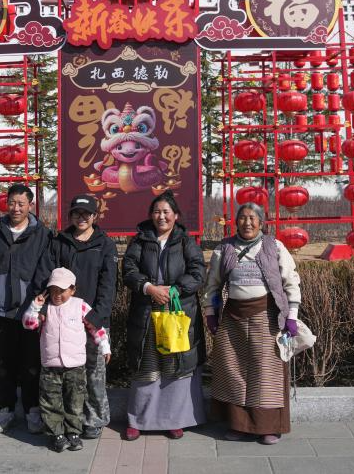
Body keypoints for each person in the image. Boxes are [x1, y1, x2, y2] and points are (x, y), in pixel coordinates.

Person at [204, 202, 302, 445]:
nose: (247, 222)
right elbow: (212, 285)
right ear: (235, 221)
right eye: (242, 218)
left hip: (266, 316)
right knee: (233, 370)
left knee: (265, 373)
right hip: (232, 318)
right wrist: (210, 312)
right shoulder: (223, 248)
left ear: (261, 222)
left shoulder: (275, 246)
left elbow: (291, 282)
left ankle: (268, 427)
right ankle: (239, 425)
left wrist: (292, 315)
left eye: (252, 218)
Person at [121, 190, 206, 440]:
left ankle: (174, 420)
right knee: (145, 368)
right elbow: (128, 269)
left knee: (175, 369)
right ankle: (138, 420)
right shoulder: (140, 240)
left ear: (175, 215)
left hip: (177, 310)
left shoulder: (185, 241)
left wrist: (175, 290)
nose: (161, 216)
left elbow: (198, 271)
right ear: (151, 215)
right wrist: (148, 288)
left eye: (166, 212)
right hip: (146, 311)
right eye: (157, 211)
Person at [31, 195, 118, 439]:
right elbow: (44, 275)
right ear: (70, 216)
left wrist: (97, 316)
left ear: (95, 216)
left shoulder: (105, 244)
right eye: (77, 213)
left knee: (93, 373)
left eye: (87, 213)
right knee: (65, 376)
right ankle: (70, 421)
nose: (82, 218)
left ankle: (95, 419)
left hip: (92, 320)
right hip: (61, 319)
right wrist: (44, 306)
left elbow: (108, 284)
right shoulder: (59, 241)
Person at [0, 183, 51, 435]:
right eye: (11, 203)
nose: (15, 208)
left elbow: (47, 273)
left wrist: (41, 306)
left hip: (30, 311)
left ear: (30, 205)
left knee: (31, 364)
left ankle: (32, 411)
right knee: (3, 364)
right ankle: (5, 410)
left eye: (21, 203)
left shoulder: (43, 235)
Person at [22, 267, 111, 452]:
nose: (57, 296)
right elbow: (29, 324)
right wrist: (35, 306)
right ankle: (57, 435)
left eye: (61, 291)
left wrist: (104, 346)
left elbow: (96, 328)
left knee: (75, 400)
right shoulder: (45, 307)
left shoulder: (80, 306)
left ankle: (74, 433)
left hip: (75, 366)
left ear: (72, 290)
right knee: (50, 401)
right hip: (50, 365)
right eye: (53, 291)